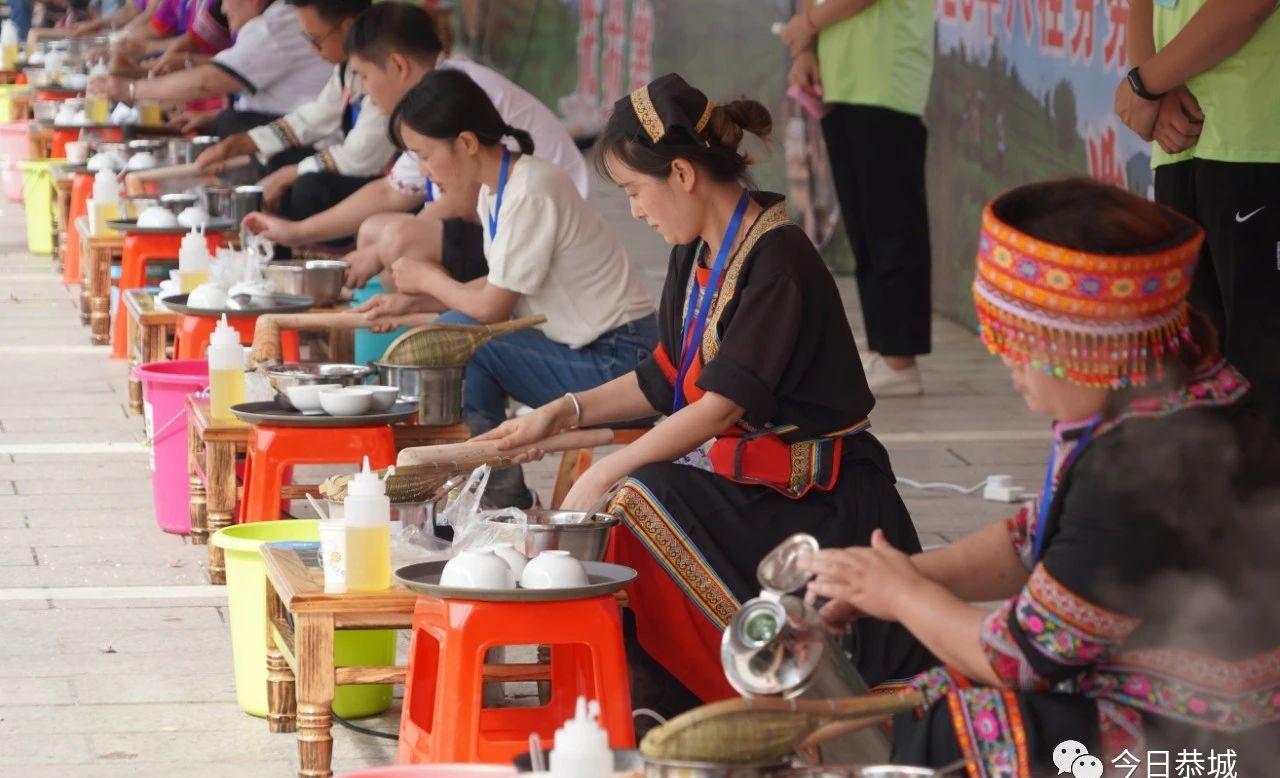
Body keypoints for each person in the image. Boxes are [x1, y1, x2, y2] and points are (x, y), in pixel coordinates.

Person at [800, 179, 1280, 778]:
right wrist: (893, 577)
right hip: (1205, 723)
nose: (1010, 367)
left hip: (1213, 760)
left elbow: (1019, 656)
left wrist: (902, 595)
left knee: (965, 731)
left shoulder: (1135, 466)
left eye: (1023, 344)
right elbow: (1038, 540)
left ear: (1093, 345)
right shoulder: (1190, 393)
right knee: (936, 694)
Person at [475, 74, 933, 713]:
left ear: (683, 174)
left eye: (635, 191)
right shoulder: (694, 254)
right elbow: (664, 377)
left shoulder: (780, 259)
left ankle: (683, 693)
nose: (636, 210)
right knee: (628, 491)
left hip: (818, 502)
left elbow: (720, 406)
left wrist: (608, 466)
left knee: (635, 495)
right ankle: (647, 691)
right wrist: (561, 413)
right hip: (750, 484)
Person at [355, 68, 656, 509]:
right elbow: (500, 285)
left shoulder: (531, 189)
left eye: (424, 154)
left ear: (466, 143)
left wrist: (428, 279)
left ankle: (498, 494)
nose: (422, 170)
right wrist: (409, 303)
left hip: (622, 364)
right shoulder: (497, 191)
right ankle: (487, 484)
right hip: (599, 354)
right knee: (455, 329)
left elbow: (492, 308)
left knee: (469, 342)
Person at [241, 3, 588, 290]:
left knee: (401, 239)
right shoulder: (432, 96)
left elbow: (463, 201)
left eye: (364, 76)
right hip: (511, 227)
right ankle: (395, 330)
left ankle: (424, 336)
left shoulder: (454, 92)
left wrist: (382, 249)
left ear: (397, 65)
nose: (363, 89)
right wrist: (297, 232)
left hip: (546, 240)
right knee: (378, 229)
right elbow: (393, 191)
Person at [1116, 0, 1280, 430]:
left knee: (1264, 367)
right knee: (1197, 368)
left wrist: (1146, 83)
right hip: (1182, 143)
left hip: (1260, 140)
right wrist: (1151, 88)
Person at [782, 0, 934, 396]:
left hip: (885, 80)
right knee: (865, 228)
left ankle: (901, 360)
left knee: (892, 226)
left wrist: (807, 23)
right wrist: (805, 49)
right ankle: (884, 348)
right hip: (840, 78)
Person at [193, 0, 394, 224]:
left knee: (309, 187)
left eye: (316, 39)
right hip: (359, 166)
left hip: (382, 183)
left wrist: (290, 173)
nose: (312, 49)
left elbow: (359, 155)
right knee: (274, 155)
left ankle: (297, 236)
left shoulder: (384, 73)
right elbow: (314, 118)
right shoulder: (348, 67)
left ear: (347, 27)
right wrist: (242, 143)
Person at [88, 0, 331, 142]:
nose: (223, 8)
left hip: (306, 142)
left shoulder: (273, 26)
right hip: (273, 126)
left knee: (231, 126)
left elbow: (208, 81)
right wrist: (213, 117)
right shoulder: (269, 21)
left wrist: (132, 89)